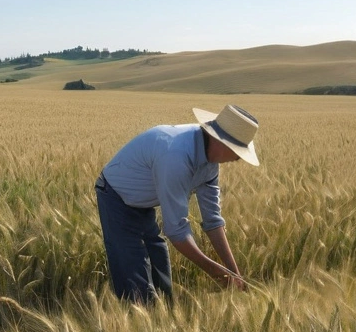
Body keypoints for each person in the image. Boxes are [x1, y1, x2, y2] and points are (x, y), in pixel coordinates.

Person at [95, 104, 260, 303]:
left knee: (161, 272)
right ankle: (136, 321)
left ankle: (159, 317)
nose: (237, 159)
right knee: (136, 281)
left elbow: (213, 220)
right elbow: (177, 231)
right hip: (116, 198)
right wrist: (216, 273)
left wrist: (234, 273)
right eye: (237, 152)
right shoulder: (176, 156)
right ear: (220, 141)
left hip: (144, 204)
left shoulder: (210, 162)